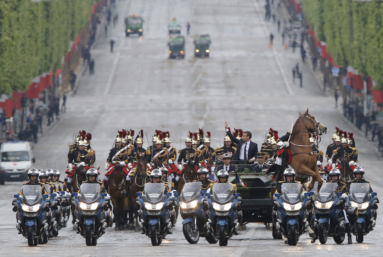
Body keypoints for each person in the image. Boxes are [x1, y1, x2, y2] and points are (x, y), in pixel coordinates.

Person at [311, 168, 352, 244]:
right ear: (330, 177)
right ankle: (315, 235)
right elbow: (322, 192)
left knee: (345, 217)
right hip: (329, 203)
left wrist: (343, 196)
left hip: (339, 204)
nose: (334, 177)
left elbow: (345, 194)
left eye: (335, 176)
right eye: (332, 176)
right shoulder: (327, 185)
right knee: (315, 217)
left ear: (338, 176)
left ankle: (349, 236)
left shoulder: (343, 185)